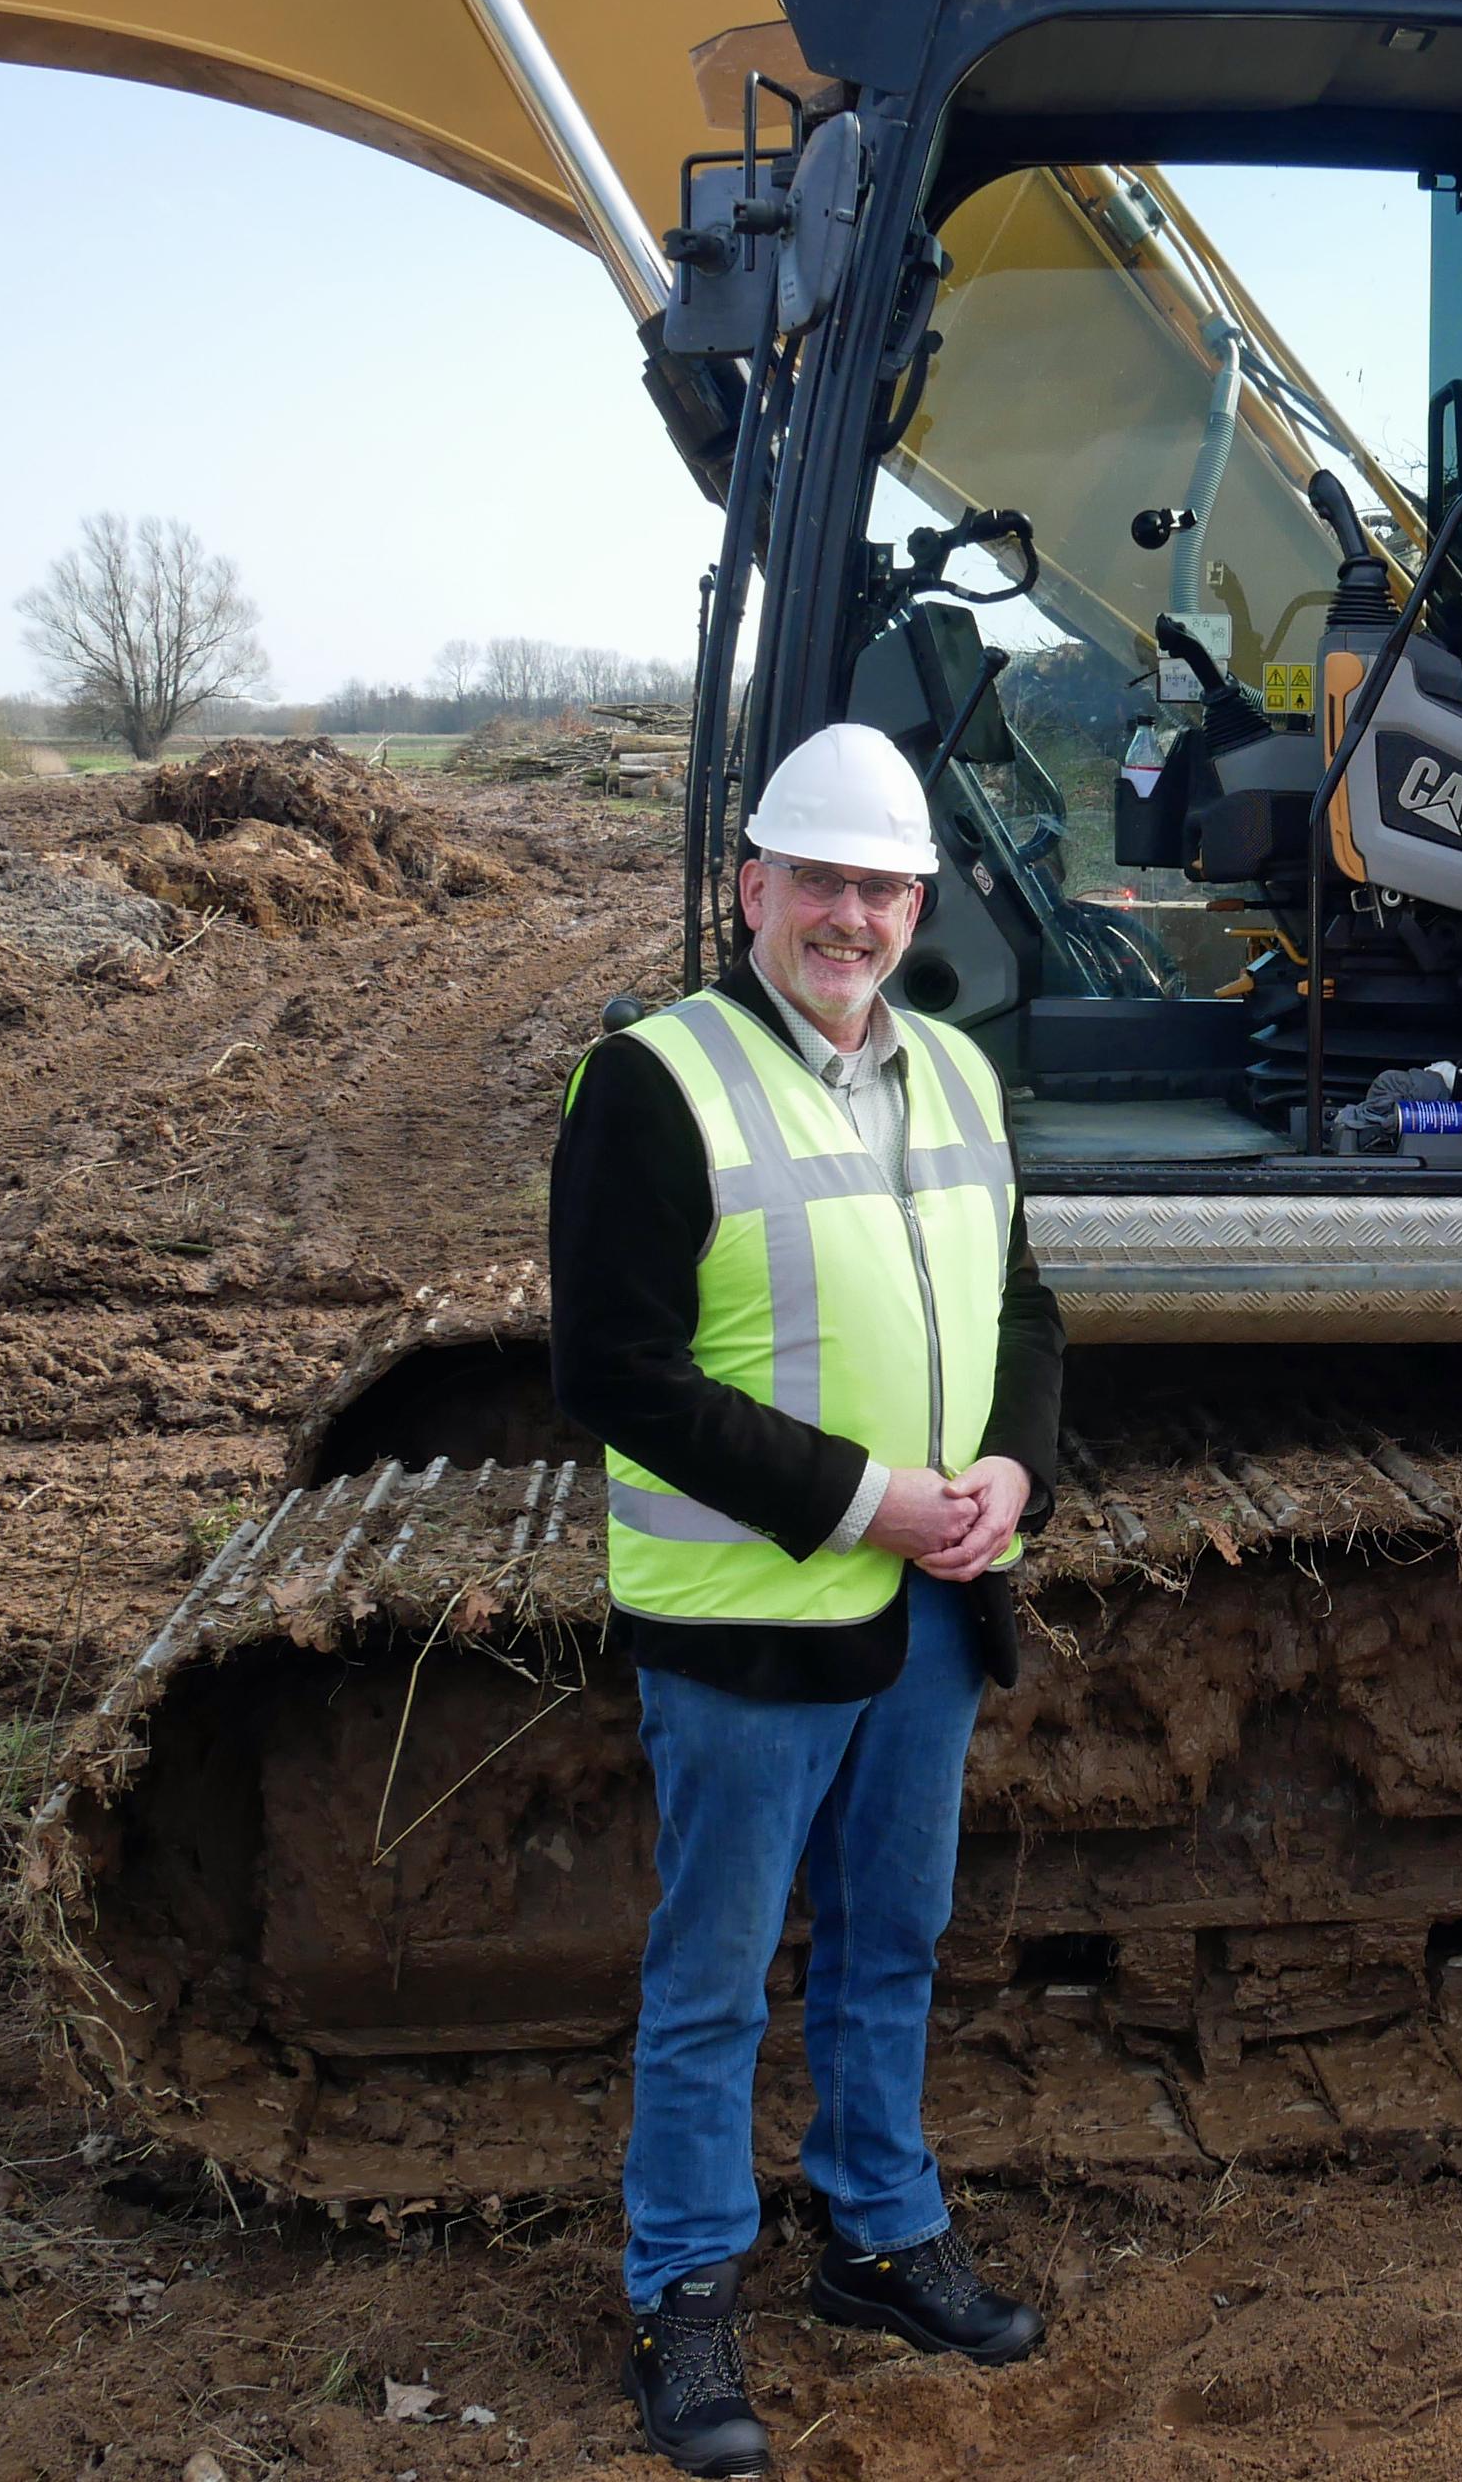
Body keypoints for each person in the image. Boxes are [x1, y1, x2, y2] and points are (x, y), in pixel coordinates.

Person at [547, 721, 1063, 2476]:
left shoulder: (961, 1078)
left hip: (927, 1606)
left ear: (920, 904)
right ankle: (684, 2294)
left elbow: (1026, 1318)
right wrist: (865, 1501)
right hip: (751, 1618)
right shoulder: (654, 1081)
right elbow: (612, 1368)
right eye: (818, 881)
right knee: (717, 1974)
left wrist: (1012, 1476)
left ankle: (875, 2234)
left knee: (890, 1944)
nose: (848, 917)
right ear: (752, 885)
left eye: (880, 888)